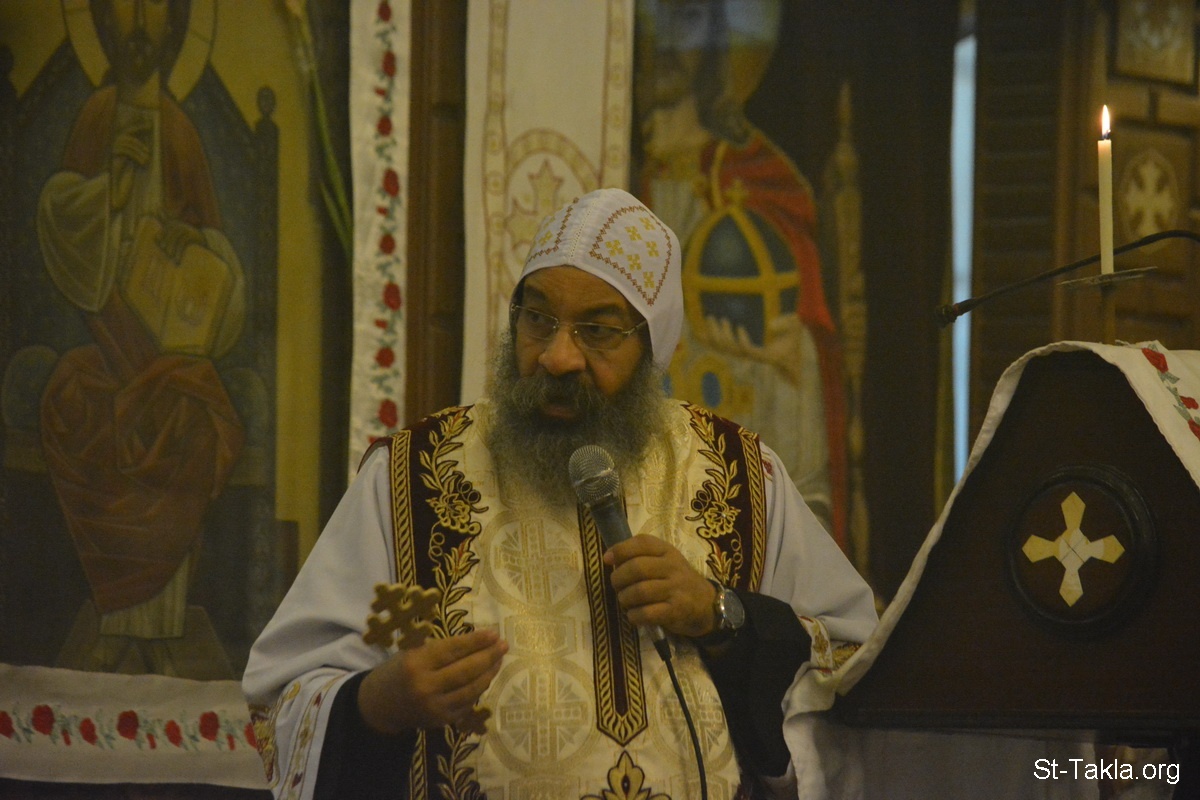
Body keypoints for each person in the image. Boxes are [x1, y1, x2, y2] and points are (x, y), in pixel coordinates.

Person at [243, 188, 876, 799]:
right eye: (538, 318)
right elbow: (283, 700)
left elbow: (852, 673)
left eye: (597, 330)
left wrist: (721, 616)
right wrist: (378, 702)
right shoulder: (411, 477)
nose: (557, 357)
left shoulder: (741, 475)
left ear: (652, 345)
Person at [36, 0, 244, 677]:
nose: (138, 31)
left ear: (174, 29)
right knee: (74, 402)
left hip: (167, 343)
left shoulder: (180, 130)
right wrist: (112, 190)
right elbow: (60, 221)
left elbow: (219, 255)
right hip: (108, 330)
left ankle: (159, 625)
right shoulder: (97, 117)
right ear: (102, 25)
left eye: (152, 17)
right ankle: (115, 619)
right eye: (125, 16)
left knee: (186, 423)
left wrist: (192, 242)